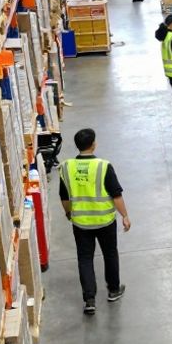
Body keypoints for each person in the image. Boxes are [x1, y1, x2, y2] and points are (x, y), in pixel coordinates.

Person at [59, 129, 130, 315]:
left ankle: (89, 300)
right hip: (104, 221)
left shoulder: (66, 167)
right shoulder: (103, 166)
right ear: (93, 144)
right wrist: (125, 215)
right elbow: (116, 195)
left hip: (81, 223)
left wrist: (68, 213)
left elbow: (64, 197)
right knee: (110, 254)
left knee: (85, 258)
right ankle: (113, 290)